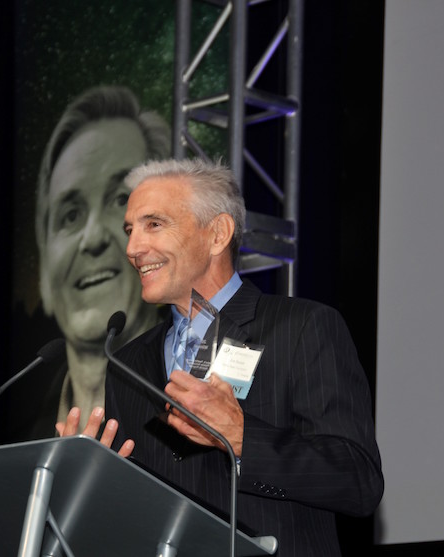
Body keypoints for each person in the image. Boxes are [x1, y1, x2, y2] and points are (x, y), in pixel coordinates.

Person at [58, 158, 384, 556]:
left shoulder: (302, 328)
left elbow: (358, 481)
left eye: (154, 224)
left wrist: (243, 437)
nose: (132, 248)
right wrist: (92, 481)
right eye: (130, 229)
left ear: (217, 234)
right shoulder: (128, 364)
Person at [30, 86, 169, 434]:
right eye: (71, 214)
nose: (91, 239)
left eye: (119, 200)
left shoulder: (193, 425)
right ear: (46, 262)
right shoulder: (18, 445)